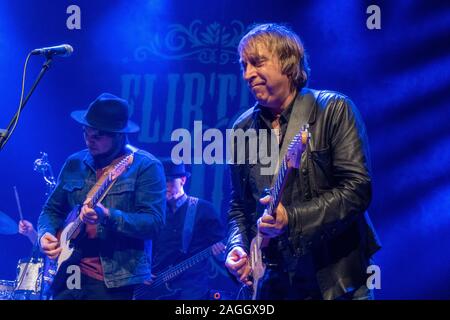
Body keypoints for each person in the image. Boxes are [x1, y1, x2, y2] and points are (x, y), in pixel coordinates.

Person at [225, 23, 381, 300]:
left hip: (335, 277)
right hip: (274, 281)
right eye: (244, 65)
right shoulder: (241, 128)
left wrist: (293, 218)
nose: (248, 74)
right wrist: (236, 246)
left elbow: (358, 189)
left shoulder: (333, 109)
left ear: (288, 63)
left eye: (257, 63)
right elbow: (239, 205)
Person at [37, 93, 166, 300]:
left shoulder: (146, 166)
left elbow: (154, 223)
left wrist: (108, 215)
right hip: (68, 271)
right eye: (86, 133)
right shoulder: (74, 163)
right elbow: (51, 210)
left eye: (97, 136)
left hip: (113, 280)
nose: (89, 140)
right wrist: (45, 234)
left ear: (118, 135)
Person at [136, 159, 225, 300]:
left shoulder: (204, 209)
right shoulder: (154, 212)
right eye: (160, 181)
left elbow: (223, 251)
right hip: (156, 289)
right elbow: (141, 245)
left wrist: (220, 253)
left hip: (192, 290)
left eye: (169, 180)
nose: (164, 186)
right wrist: (141, 270)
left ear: (183, 180)